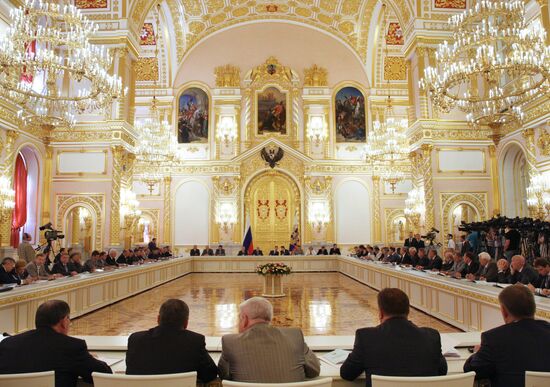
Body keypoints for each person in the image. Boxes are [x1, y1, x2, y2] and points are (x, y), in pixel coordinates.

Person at [340, 288, 447, 387]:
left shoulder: (366, 337)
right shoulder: (431, 336)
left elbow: (347, 374)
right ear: (408, 311)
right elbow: (442, 370)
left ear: (381, 313)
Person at [0, 300, 112, 386]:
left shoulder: (7, 344)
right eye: (69, 319)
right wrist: (89, 358)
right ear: (63, 322)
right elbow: (104, 375)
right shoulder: (72, 347)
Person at [464, 285, 550, 387]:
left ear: (504, 312)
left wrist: (478, 353)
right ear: (533, 308)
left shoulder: (494, 338)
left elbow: (472, 370)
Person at [218, 297, 320, 383]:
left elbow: (224, 375)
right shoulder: (294, 336)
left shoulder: (230, 342)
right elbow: (314, 370)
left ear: (244, 319)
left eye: (239, 318)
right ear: (269, 318)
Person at [126, 299, 218, 382]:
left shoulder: (136, 339)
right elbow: (210, 374)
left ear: (158, 319)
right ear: (186, 323)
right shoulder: (195, 341)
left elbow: (130, 370)